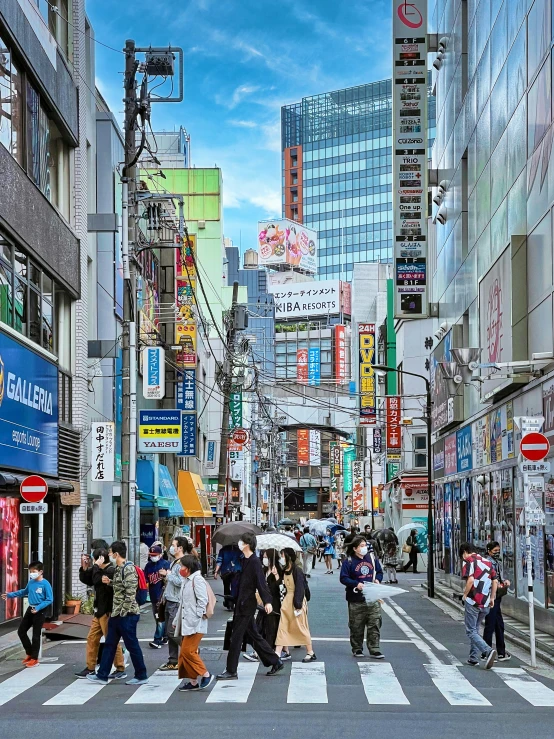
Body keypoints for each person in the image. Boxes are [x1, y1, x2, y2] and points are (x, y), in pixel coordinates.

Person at [217, 532, 284, 680]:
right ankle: (275, 660)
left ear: (246, 544)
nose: (239, 544)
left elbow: (261, 583)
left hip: (246, 604)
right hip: (241, 602)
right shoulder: (244, 560)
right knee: (254, 636)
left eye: (240, 541)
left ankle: (231, 670)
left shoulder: (254, 562)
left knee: (236, 638)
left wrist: (267, 602)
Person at [87, 540, 148, 685]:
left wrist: (123, 612)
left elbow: (130, 593)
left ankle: (141, 675)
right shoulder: (119, 569)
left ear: (116, 554)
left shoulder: (128, 569)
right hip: (116, 614)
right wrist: (111, 583)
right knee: (110, 644)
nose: (109, 555)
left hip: (127, 615)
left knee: (132, 645)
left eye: (110, 553)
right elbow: (121, 588)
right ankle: (102, 675)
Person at [74, 547, 126, 679]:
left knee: (111, 640)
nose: (93, 562)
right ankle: (90, 667)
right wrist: (84, 568)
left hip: (107, 611)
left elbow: (96, 580)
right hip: (99, 611)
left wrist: (95, 566)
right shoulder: (98, 570)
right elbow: (87, 580)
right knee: (92, 638)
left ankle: (120, 668)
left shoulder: (110, 571)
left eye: (94, 559)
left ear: (100, 559)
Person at [174, 554, 214, 692]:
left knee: (188, 651)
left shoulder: (197, 580)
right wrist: (176, 620)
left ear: (189, 567)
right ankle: (193, 681)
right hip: (187, 622)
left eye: (183, 566)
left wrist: (197, 616)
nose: (181, 569)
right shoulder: (186, 580)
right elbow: (182, 604)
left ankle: (205, 674)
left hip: (195, 623)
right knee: (185, 653)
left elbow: (202, 600)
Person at [340, 535, 385, 659]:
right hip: (356, 599)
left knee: (374, 623)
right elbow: (343, 578)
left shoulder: (371, 558)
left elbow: (380, 572)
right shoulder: (349, 561)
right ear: (355, 548)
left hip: (372, 596)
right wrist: (356, 584)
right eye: (361, 546)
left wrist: (377, 579)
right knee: (356, 625)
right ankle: (357, 648)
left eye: (365, 545)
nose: (364, 548)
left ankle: (375, 648)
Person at [2, 560, 53, 668]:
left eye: (34, 571)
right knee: (21, 631)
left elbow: (49, 599)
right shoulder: (31, 582)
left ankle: (34, 659)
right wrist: (9, 595)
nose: (31, 573)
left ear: (40, 572)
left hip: (40, 610)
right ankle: (29, 653)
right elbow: (24, 592)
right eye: (30, 571)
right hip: (31, 608)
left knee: (35, 634)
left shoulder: (45, 584)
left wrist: (38, 608)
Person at [459, 541, 498, 669]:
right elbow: (495, 581)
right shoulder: (488, 562)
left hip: (473, 601)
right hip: (485, 602)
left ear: (465, 552)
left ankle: (487, 651)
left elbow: (470, 580)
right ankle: (473, 658)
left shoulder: (468, 561)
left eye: (462, 555)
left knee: (471, 631)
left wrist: (464, 595)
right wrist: (492, 598)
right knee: (475, 630)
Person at [275, 548, 316, 663]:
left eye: (282, 555)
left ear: (287, 556)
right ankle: (277, 653)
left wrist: (298, 605)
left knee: (300, 626)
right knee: (283, 626)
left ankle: (310, 652)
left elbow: (300, 588)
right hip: (287, 600)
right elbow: (281, 585)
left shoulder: (297, 570)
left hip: (295, 600)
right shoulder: (284, 570)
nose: (281, 558)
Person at [243, 548, 284, 662]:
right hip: (264, 602)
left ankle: (266, 653)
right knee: (259, 626)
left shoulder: (278, 569)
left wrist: (276, 576)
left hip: (274, 602)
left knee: (270, 628)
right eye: (264, 556)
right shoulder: (264, 569)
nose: (264, 558)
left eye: (266, 556)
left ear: (271, 557)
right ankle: (259, 652)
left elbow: (280, 587)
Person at [159, 536, 190, 671]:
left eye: (173, 545)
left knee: (172, 632)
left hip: (176, 601)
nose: (171, 547)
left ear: (180, 548)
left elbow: (181, 582)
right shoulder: (174, 562)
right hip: (169, 599)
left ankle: (190, 651)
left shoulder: (182, 563)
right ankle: (173, 660)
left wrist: (168, 574)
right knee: (169, 632)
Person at [483, 541, 511, 662]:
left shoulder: (496, 563)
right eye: (495, 551)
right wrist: (497, 586)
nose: (497, 553)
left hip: (496, 596)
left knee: (498, 624)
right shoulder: (488, 563)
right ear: (489, 551)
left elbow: (499, 577)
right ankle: (487, 652)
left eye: (498, 551)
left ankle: (501, 652)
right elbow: (489, 580)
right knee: (490, 623)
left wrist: (503, 581)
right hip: (491, 596)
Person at [144, 544, 170, 650]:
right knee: (158, 618)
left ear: (160, 555)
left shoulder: (166, 564)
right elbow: (145, 580)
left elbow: (172, 579)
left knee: (160, 618)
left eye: (155, 555)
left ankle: (157, 639)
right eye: (151, 555)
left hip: (164, 596)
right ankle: (165, 636)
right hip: (154, 596)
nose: (152, 556)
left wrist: (166, 575)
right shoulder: (148, 566)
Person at [214, 543, 242, 610]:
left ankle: (227, 602)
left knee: (226, 587)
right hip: (236, 571)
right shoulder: (239, 550)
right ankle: (231, 602)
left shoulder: (223, 550)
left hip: (225, 571)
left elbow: (219, 561)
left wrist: (216, 571)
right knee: (234, 587)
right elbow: (242, 559)